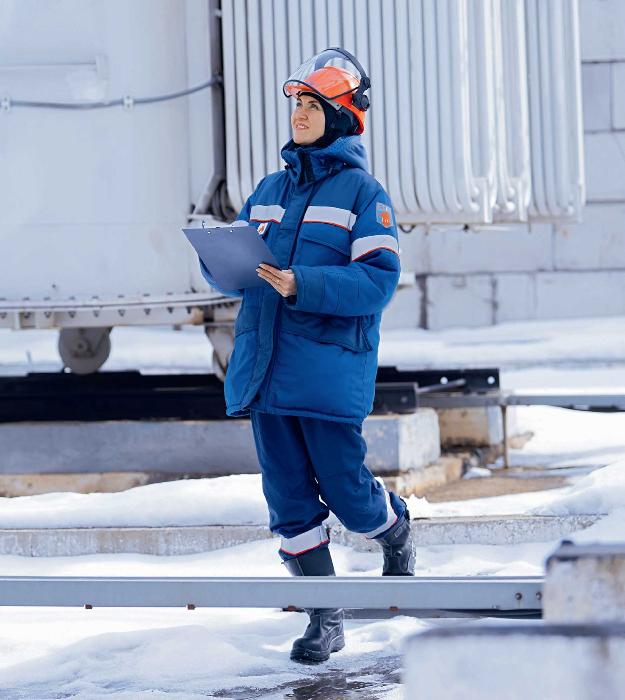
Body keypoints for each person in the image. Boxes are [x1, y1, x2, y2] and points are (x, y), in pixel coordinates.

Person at [198, 48, 415, 664]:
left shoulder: (363, 194)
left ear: (341, 116)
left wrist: (303, 284)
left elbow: (378, 281)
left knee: (347, 493)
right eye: (295, 103)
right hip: (265, 371)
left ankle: (395, 529)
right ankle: (326, 616)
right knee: (288, 500)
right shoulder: (269, 190)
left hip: (325, 372)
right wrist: (219, 261)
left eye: (312, 105)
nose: (298, 114)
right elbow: (238, 268)